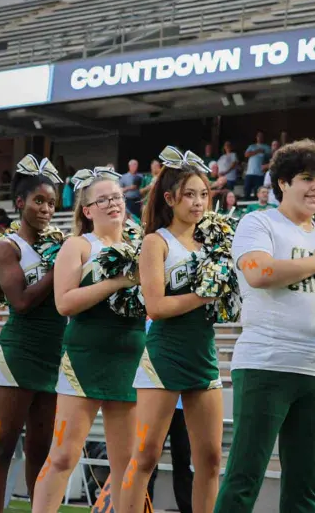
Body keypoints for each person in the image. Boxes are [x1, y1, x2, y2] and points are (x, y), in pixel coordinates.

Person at [214, 139, 315, 513]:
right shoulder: (259, 222)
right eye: (307, 178)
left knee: (303, 488)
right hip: (266, 364)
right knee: (244, 478)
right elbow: (258, 272)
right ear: (282, 182)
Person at [30, 167, 145, 513]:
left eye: (117, 197)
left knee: (126, 462)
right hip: (85, 357)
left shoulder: (141, 246)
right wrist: (118, 281)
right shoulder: (78, 245)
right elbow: (64, 302)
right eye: (103, 199)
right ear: (88, 210)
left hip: (129, 356)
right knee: (63, 455)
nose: (113, 203)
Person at [119, 148, 223, 513]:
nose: (198, 202)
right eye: (189, 194)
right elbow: (156, 307)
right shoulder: (156, 241)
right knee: (145, 456)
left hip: (203, 353)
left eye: (203, 194)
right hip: (164, 355)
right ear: (169, 198)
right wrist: (203, 296)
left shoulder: (213, 244)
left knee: (210, 460)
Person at [0, 156, 66, 513]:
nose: (46, 209)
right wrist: (60, 268)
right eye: (38, 201)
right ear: (20, 202)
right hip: (18, 355)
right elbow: (20, 301)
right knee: (1, 446)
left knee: (41, 450)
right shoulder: (7, 246)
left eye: (51, 203)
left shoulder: (59, 245)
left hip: (53, 355)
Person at [145, 320, 193, 513]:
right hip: (156, 402)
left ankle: (188, 508)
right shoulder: (146, 325)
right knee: (148, 461)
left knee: (183, 461)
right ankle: (144, 507)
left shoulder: (185, 325)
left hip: (182, 405)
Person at [243, 131, 272, 200]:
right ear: (256, 137)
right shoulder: (252, 146)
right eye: (258, 136)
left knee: (258, 192)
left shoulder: (266, 147)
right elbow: (246, 155)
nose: (260, 137)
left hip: (260, 173)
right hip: (250, 172)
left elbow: (270, 156)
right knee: (247, 189)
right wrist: (257, 151)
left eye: (261, 136)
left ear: (263, 138)